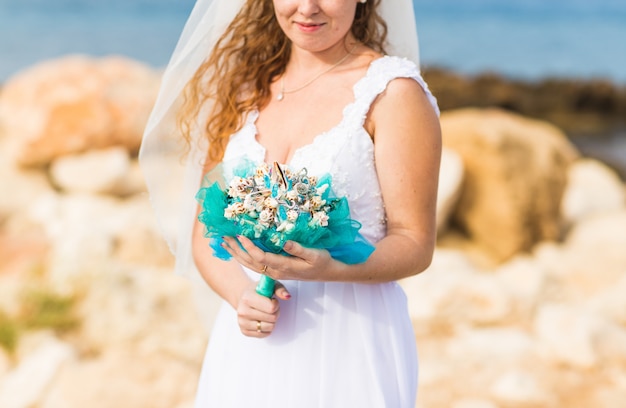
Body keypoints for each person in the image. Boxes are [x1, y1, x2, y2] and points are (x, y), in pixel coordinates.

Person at [140, 0, 441, 406]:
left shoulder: (393, 94)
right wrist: (240, 298)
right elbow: (204, 230)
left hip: (348, 335)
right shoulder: (245, 91)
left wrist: (331, 267)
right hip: (251, 336)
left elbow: (414, 242)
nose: (307, 8)